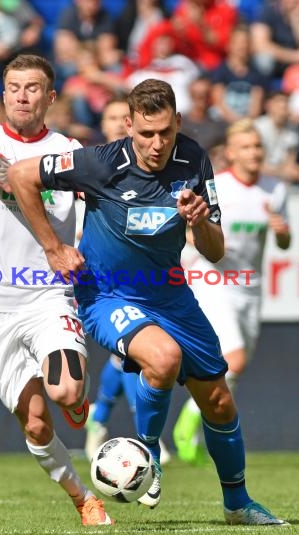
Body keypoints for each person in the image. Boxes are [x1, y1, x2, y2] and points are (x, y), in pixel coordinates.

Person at [7, 78, 288, 525]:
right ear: (129, 125)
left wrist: (200, 222)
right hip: (107, 293)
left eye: (165, 133)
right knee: (163, 356)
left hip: (172, 295)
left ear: (177, 122)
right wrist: (52, 247)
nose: (156, 145)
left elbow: (214, 250)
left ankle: (238, 504)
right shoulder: (100, 163)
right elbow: (20, 175)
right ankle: (148, 457)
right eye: (145, 134)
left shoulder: (194, 158)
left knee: (218, 401)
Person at [0, 54, 113, 526]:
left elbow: (107, 207)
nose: (22, 95)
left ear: (50, 97)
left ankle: (77, 397)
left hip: (48, 295)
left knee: (64, 391)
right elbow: (12, 179)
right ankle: (82, 497)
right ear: (3, 94)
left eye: (33, 88)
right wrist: (53, 244)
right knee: (37, 422)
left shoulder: (72, 152)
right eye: (14, 86)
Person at [173, 118, 291, 466]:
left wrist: (282, 231)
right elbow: (185, 224)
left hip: (249, 286)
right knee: (233, 357)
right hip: (212, 278)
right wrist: (198, 240)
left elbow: (284, 243)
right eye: (246, 147)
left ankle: (202, 428)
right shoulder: (217, 186)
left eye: (257, 146)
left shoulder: (275, 189)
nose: (254, 152)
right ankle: (188, 422)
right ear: (231, 153)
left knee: (234, 367)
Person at [83, 96, 171, 464]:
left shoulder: (150, 168)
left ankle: (99, 420)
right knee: (132, 355)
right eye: (113, 118)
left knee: (129, 358)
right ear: (104, 126)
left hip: (145, 277)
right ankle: (143, 437)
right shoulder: (88, 167)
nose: (120, 123)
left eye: (125, 117)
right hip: (98, 278)